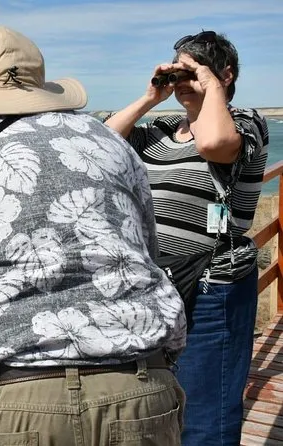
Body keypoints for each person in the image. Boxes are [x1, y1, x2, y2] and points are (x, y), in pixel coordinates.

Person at [0, 25, 187, 445]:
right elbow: (145, 251)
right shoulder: (109, 143)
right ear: (45, 94)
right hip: (139, 388)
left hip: (2, 402)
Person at [105, 31, 269, 445]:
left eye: (192, 72)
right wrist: (151, 97)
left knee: (206, 414)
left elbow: (213, 143)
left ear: (226, 75)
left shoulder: (245, 122)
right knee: (158, 405)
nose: (182, 81)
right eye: (177, 71)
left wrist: (210, 85)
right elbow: (103, 144)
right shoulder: (162, 127)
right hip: (158, 284)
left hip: (213, 288)